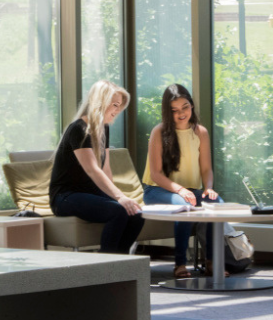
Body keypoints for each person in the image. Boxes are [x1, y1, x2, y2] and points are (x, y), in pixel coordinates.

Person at [141, 84, 227, 278]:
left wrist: (209, 188)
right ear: (167, 111)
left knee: (217, 204)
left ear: (192, 106)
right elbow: (155, 174)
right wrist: (180, 190)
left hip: (189, 191)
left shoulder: (200, 133)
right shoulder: (159, 132)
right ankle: (180, 263)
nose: (181, 113)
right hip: (157, 190)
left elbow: (206, 169)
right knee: (184, 206)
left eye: (185, 107)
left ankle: (212, 261)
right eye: (174, 110)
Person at [50, 80, 145, 254]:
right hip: (65, 197)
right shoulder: (79, 129)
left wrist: (118, 197)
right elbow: (92, 169)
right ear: (100, 102)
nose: (117, 111)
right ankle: (106, 265)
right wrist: (120, 198)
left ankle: (121, 263)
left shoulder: (103, 128)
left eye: (119, 106)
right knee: (119, 211)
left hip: (89, 193)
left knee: (136, 215)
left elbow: (105, 168)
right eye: (114, 105)